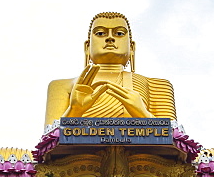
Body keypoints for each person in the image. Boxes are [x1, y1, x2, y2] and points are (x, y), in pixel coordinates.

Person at [44, 12, 176, 124]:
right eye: (100, 33)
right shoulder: (62, 86)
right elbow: (48, 142)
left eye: (119, 33)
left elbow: (174, 138)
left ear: (132, 47)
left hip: (142, 155)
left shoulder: (157, 85)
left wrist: (142, 114)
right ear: (87, 47)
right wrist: (75, 110)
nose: (110, 38)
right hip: (81, 155)